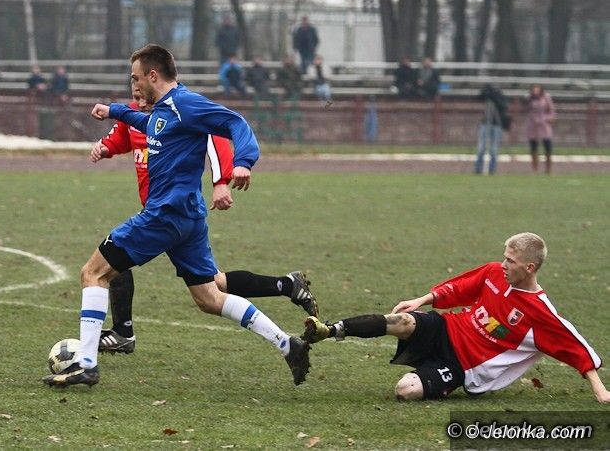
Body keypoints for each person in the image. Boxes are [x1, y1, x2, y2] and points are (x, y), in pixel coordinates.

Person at [42, 44, 312, 388]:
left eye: (136, 78)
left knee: (93, 273)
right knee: (209, 298)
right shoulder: (165, 109)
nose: (133, 84)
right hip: (188, 218)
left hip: (164, 215)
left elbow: (235, 122)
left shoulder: (186, 104)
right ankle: (288, 345)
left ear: (153, 75)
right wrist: (114, 111)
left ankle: (86, 365)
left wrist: (243, 162)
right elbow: (151, 123)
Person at [91, 86, 318, 353]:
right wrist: (106, 147)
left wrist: (220, 182)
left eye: (143, 96)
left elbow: (216, 137)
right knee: (213, 287)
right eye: (135, 97)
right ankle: (287, 287)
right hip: (162, 211)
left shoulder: (180, 112)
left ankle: (120, 334)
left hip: (168, 213)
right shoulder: (137, 115)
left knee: (111, 261)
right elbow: (122, 135)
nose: (140, 102)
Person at [302, 232, 609, 403]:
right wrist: (422, 300)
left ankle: (428, 373)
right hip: (448, 328)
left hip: (461, 366)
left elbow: (574, 347)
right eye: (504, 256)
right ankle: (329, 330)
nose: (503, 264)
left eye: (511, 260)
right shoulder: (494, 273)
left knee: (405, 390)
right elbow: (460, 288)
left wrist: (600, 391)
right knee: (402, 320)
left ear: (529, 268)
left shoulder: (539, 312)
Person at [474, 84, 508, 175]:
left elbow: (503, 106)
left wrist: (494, 97)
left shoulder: (500, 97)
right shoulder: (488, 97)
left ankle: (492, 169)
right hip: (485, 123)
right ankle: (478, 168)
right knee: (481, 147)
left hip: (496, 124)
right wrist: (484, 92)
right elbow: (478, 98)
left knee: (494, 148)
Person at [526, 84, 555, 175]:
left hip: (544, 126)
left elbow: (552, 111)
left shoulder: (546, 98)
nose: (535, 92)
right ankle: (535, 170)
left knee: (547, 148)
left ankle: (548, 169)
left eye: (537, 90)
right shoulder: (530, 99)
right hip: (533, 126)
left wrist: (547, 118)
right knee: (533, 148)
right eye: (534, 90)